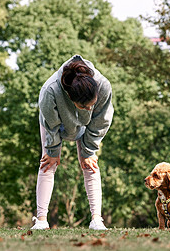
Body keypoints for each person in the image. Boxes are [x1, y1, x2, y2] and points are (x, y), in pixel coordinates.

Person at [31, 54, 114, 230]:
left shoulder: (104, 86)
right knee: (47, 163)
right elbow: (50, 125)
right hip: (56, 123)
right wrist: (52, 151)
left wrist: (88, 150)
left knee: (90, 164)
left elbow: (101, 120)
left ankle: (96, 219)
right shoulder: (50, 90)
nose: (89, 109)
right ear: (69, 96)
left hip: (88, 126)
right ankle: (41, 220)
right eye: (84, 106)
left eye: (91, 105)